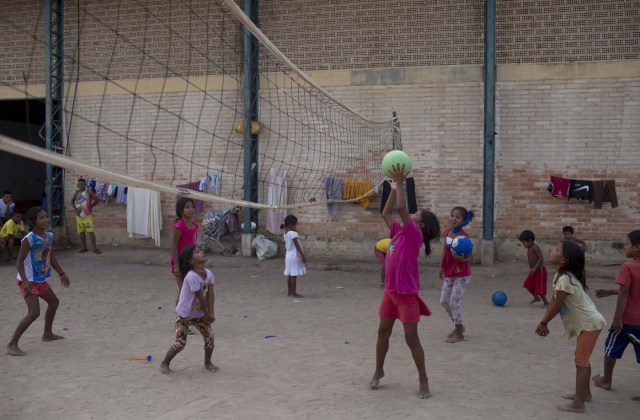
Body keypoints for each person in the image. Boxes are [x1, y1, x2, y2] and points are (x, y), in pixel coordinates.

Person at [369, 164, 441, 399]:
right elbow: (386, 213)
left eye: (415, 215)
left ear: (420, 225)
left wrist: (401, 183)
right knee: (383, 332)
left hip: (407, 296)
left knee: (411, 339)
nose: (411, 214)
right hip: (390, 292)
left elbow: (401, 207)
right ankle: (379, 369)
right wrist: (391, 188)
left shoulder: (414, 235)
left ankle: (423, 379)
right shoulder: (399, 231)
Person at [535, 241, 606, 413]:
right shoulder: (561, 275)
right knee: (581, 358)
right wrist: (544, 320)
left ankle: (578, 404)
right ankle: (585, 394)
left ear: (564, 260)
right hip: (589, 323)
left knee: (581, 362)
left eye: (557, 249)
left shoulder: (565, 279)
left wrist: (544, 323)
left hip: (589, 324)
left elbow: (556, 305)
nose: (552, 250)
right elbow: (554, 300)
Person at [6, 206, 70, 356]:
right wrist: (25, 280)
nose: (46, 220)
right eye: (41, 218)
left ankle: (47, 334)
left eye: (46, 217)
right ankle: (12, 344)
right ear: (33, 222)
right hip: (28, 281)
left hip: (40, 280)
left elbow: (51, 257)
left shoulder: (49, 236)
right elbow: (19, 262)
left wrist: (61, 273)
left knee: (54, 302)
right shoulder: (28, 239)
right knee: (34, 312)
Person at [592, 229, 640, 401]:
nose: (625, 247)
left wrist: (617, 318)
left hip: (626, 322)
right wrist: (612, 291)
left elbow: (625, 293)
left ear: (637, 247)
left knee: (610, 349)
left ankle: (606, 380)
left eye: (627, 244)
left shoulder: (627, 267)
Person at [160, 245, 217, 374]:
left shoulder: (209, 274)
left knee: (210, 338)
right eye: (197, 252)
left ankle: (208, 362)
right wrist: (208, 315)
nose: (202, 252)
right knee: (180, 344)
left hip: (200, 313)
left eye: (201, 250)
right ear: (191, 261)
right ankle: (165, 363)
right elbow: (201, 298)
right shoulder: (192, 277)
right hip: (184, 314)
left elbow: (210, 294)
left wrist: (211, 313)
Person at [439, 206, 475, 343]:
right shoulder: (447, 232)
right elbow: (444, 251)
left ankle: (459, 332)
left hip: (462, 275)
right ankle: (458, 326)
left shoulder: (464, 237)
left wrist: (462, 259)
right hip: (449, 273)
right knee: (443, 301)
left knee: (454, 301)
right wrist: (440, 266)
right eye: (452, 215)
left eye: (457, 217)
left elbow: (470, 257)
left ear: (463, 221)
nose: (453, 218)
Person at [171, 198, 199, 293]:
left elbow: (194, 242)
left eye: (192, 207)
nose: (191, 209)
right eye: (187, 207)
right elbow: (174, 245)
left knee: (191, 290)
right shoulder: (180, 226)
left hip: (190, 261)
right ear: (180, 210)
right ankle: (179, 308)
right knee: (183, 291)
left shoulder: (194, 224)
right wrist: (176, 265)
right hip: (180, 261)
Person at [70, 178, 101, 254]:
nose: (81, 185)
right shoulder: (77, 192)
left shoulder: (89, 191)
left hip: (87, 215)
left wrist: (91, 206)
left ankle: (95, 249)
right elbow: (72, 201)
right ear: (77, 185)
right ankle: (84, 248)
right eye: (79, 184)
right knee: (81, 232)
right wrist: (75, 208)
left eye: (82, 184)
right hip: (79, 216)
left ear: (85, 184)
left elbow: (97, 200)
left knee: (90, 232)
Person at [519, 230, 549, 306]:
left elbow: (541, 257)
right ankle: (536, 298)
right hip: (533, 271)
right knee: (527, 284)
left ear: (530, 240)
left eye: (524, 242)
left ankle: (546, 302)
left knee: (540, 288)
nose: (524, 245)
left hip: (540, 271)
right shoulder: (529, 248)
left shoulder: (535, 247)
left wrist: (535, 268)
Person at [281, 215, 307, 297]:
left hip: (288, 255)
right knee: (294, 275)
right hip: (294, 256)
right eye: (295, 225)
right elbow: (297, 245)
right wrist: (302, 255)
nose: (296, 226)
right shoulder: (293, 233)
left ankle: (289, 292)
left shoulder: (285, 232)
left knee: (290, 274)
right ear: (291, 225)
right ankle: (294, 293)